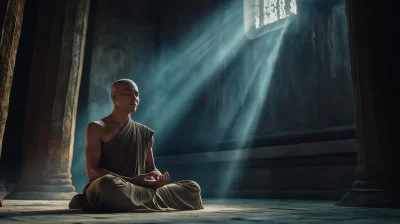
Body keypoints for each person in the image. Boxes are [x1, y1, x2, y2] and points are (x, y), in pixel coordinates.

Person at [69, 79, 203, 212]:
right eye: (128, 94)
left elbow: (152, 168)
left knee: (192, 187)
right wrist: (133, 181)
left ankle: (113, 202)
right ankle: (142, 200)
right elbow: (92, 171)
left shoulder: (144, 132)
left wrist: (158, 179)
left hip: (137, 190)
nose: (134, 98)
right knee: (108, 184)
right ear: (114, 96)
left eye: (137, 94)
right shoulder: (97, 127)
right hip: (113, 187)